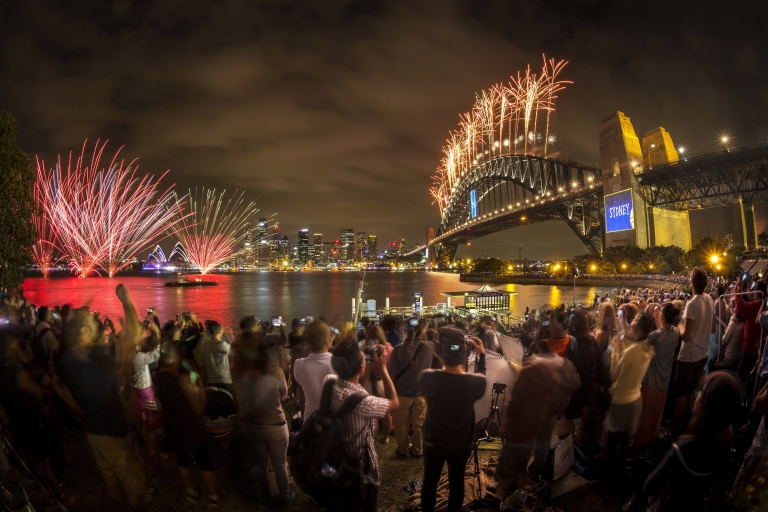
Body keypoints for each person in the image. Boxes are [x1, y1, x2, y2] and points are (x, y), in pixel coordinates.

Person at [54, 284, 147, 511]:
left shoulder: (64, 359)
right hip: (113, 432)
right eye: (91, 322)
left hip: (93, 433)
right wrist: (125, 299)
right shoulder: (97, 355)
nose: (97, 323)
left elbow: (57, 386)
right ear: (83, 332)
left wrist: (81, 409)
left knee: (111, 480)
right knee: (135, 485)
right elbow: (134, 336)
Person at [496, 322, 580, 500]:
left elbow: (516, 401)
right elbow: (574, 385)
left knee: (514, 458)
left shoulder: (531, 371)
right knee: (541, 445)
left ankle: (509, 493)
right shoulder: (564, 366)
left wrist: (507, 422)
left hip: (523, 423)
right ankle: (531, 476)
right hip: (546, 415)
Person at [644, 371, 741, 511]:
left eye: (702, 391)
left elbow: (650, 485)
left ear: (707, 406)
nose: (698, 395)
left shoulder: (685, 447)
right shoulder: (724, 442)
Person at [323, 339, 398, 511]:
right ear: (361, 368)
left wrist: (366, 369)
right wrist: (383, 368)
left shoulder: (329, 381)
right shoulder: (365, 403)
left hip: (335, 461)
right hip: (360, 471)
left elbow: (356, 392)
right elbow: (394, 403)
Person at [418, 327, 487, 512]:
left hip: (434, 440)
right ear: (465, 355)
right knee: (457, 482)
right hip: (461, 442)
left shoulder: (427, 376)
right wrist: (481, 356)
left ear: (438, 353)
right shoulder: (476, 383)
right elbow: (481, 377)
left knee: (430, 482)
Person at [153, 342, 223, 506]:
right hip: (192, 428)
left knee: (182, 459)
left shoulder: (156, 377)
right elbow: (198, 409)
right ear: (172, 358)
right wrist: (198, 386)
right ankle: (213, 496)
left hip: (173, 426)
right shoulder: (182, 379)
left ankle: (190, 492)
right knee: (205, 463)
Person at [236, 331, 295, 506]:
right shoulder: (277, 372)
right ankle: (284, 496)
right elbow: (284, 396)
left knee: (260, 466)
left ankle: (266, 495)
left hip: (253, 426)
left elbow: (243, 397)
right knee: (280, 465)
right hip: (276, 424)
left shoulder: (248, 373)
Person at [603, 312, 655, 483]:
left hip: (622, 400)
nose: (631, 323)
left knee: (612, 442)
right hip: (635, 399)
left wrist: (616, 352)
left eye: (634, 322)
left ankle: (608, 478)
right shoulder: (648, 346)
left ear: (640, 327)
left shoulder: (632, 351)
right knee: (625, 441)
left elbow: (614, 374)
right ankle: (618, 474)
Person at [672, 268, 715, 436]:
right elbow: (712, 329)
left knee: (681, 395)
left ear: (691, 283)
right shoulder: (709, 299)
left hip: (688, 355)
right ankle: (688, 427)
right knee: (690, 392)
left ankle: (674, 432)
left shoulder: (692, 304)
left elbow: (686, 336)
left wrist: (681, 325)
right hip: (703, 354)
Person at [635, 303, 680, 447]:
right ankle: (651, 439)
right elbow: (664, 330)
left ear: (662, 316)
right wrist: (656, 317)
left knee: (645, 416)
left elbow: (640, 339)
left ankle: (639, 444)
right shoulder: (676, 333)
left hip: (650, 382)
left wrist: (646, 313)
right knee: (656, 415)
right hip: (664, 382)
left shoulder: (655, 336)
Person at [387, 324, 434, 458]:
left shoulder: (398, 349)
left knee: (401, 424)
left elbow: (392, 373)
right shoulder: (428, 349)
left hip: (401, 393)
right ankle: (417, 449)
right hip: (421, 392)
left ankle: (402, 450)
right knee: (418, 423)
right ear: (420, 332)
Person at [129, 321, 161, 460]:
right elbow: (156, 355)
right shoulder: (138, 356)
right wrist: (157, 334)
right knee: (151, 425)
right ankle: (155, 453)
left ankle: (149, 450)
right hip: (145, 392)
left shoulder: (129, 352)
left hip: (136, 391)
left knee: (144, 423)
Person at [293, 320, 335, 419]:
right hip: (332, 420)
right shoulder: (337, 363)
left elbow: (302, 392)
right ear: (328, 341)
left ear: (309, 342)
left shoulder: (299, 365)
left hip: (310, 419)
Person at [199, 321, 233, 394]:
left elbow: (201, 364)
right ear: (219, 330)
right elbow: (233, 354)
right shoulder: (224, 346)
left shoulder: (203, 346)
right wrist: (226, 335)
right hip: (225, 380)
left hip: (211, 381)